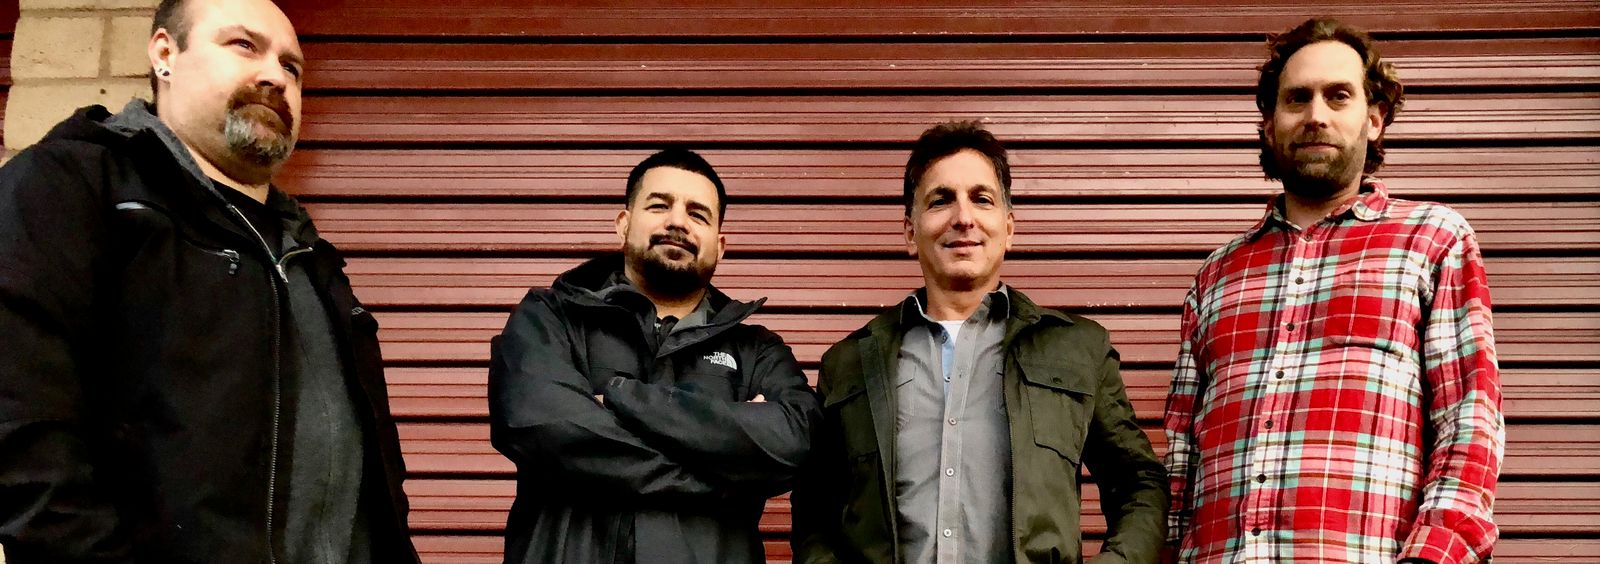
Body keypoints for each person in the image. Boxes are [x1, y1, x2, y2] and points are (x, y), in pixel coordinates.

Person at [0, 0, 418, 562]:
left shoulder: (312, 259)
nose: (275, 76)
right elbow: (19, 434)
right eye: (244, 45)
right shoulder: (71, 187)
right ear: (165, 53)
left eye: (292, 67)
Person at [1162, 17, 1503, 564]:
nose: (1315, 115)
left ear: (1374, 119)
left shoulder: (1433, 239)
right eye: (1297, 98)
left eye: (1338, 96)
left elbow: (1470, 420)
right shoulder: (1217, 274)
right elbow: (1181, 451)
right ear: (1270, 126)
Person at [791, 121, 1167, 564]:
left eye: (981, 199)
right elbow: (814, 508)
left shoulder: (1078, 349)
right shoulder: (850, 362)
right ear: (910, 231)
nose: (963, 217)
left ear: (1008, 228)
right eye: (941, 200)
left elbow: (1139, 483)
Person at [489, 148, 820, 563]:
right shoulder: (550, 317)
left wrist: (622, 397)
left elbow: (794, 442)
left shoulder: (757, 350)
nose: (678, 221)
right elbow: (544, 430)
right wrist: (726, 473)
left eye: (698, 214)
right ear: (623, 223)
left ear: (720, 246)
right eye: (659, 205)